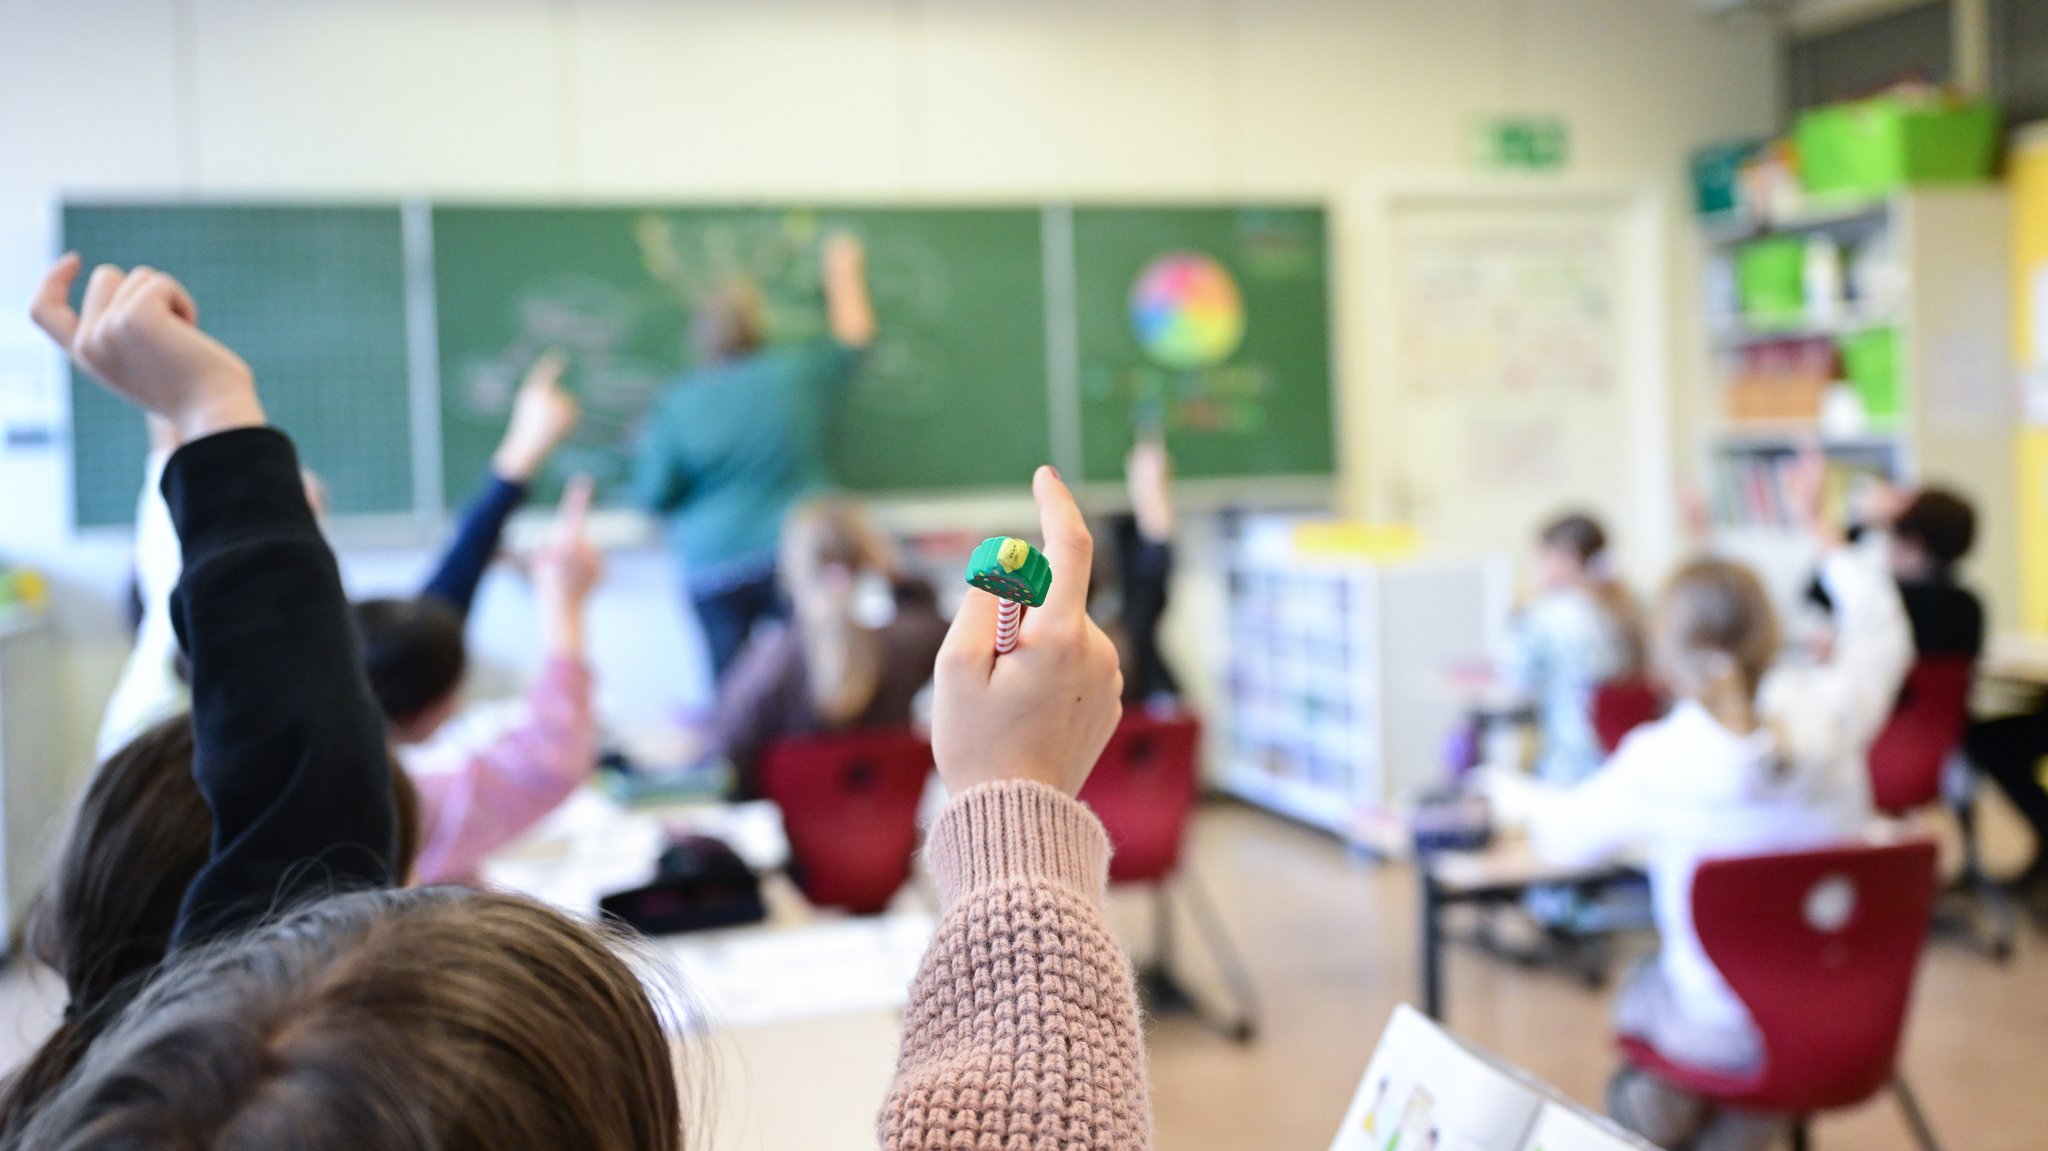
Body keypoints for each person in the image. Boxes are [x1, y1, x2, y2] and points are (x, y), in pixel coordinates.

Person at [17, 255, 1150, 1149]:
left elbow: (294, 829)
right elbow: (301, 801)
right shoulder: (822, 436)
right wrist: (1013, 801)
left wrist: (215, 428)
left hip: (725, 602)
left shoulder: (153, 1089)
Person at [1488, 452, 1912, 1151]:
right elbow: (1882, 638)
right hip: (1839, 1014)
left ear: (1667, 652)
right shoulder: (1835, 714)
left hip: (1720, 1033)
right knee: (1730, 1044)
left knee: (1649, 988)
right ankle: (1745, 1122)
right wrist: (1823, 532)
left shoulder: (1663, 758)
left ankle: (1665, 1117)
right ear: (1771, 629)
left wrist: (1511, 797)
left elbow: (1561, 840)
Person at [632, 233, 877, 681]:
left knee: (733, 694)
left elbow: (653, 496)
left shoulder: (678, 402)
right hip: (796, 554)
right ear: (758, 325)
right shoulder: (794, 376)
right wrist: (843, 272)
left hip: (712, 565)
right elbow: (855, 343)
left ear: (699, 334)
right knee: (817, 679)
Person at [703, 496, 947, 797]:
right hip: (897, 840)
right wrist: (896, 576)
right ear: (871, 556)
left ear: (794, 568)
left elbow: (728, 758)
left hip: (797, 842)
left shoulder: (770, 662)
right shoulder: (913, 641)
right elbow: (943, 630)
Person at [1503, 512, 1644, 785]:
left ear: (1563, 557)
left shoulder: (1550, 613)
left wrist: (1526, 600)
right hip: (1622, 766)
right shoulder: (1626, 605)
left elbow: (1515, 677)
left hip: (1571, 768)